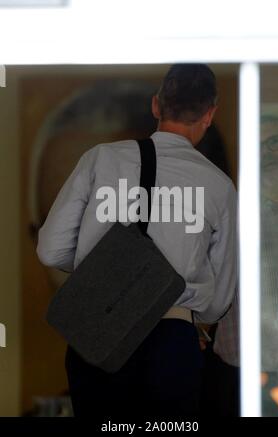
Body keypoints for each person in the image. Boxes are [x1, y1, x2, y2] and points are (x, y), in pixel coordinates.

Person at [36, 64, 237, 419]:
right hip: (172, 339)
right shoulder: (219, 186)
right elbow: (218, 301)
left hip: (99, 328)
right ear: (210, 114)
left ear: (157, 105)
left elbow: (50, 249)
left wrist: (103, 270)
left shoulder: (101, 158)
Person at [208, 115, 278, 417]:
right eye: (257, 147)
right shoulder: (230, 216)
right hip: (247, 374)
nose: (265, 153)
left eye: (275, 142)